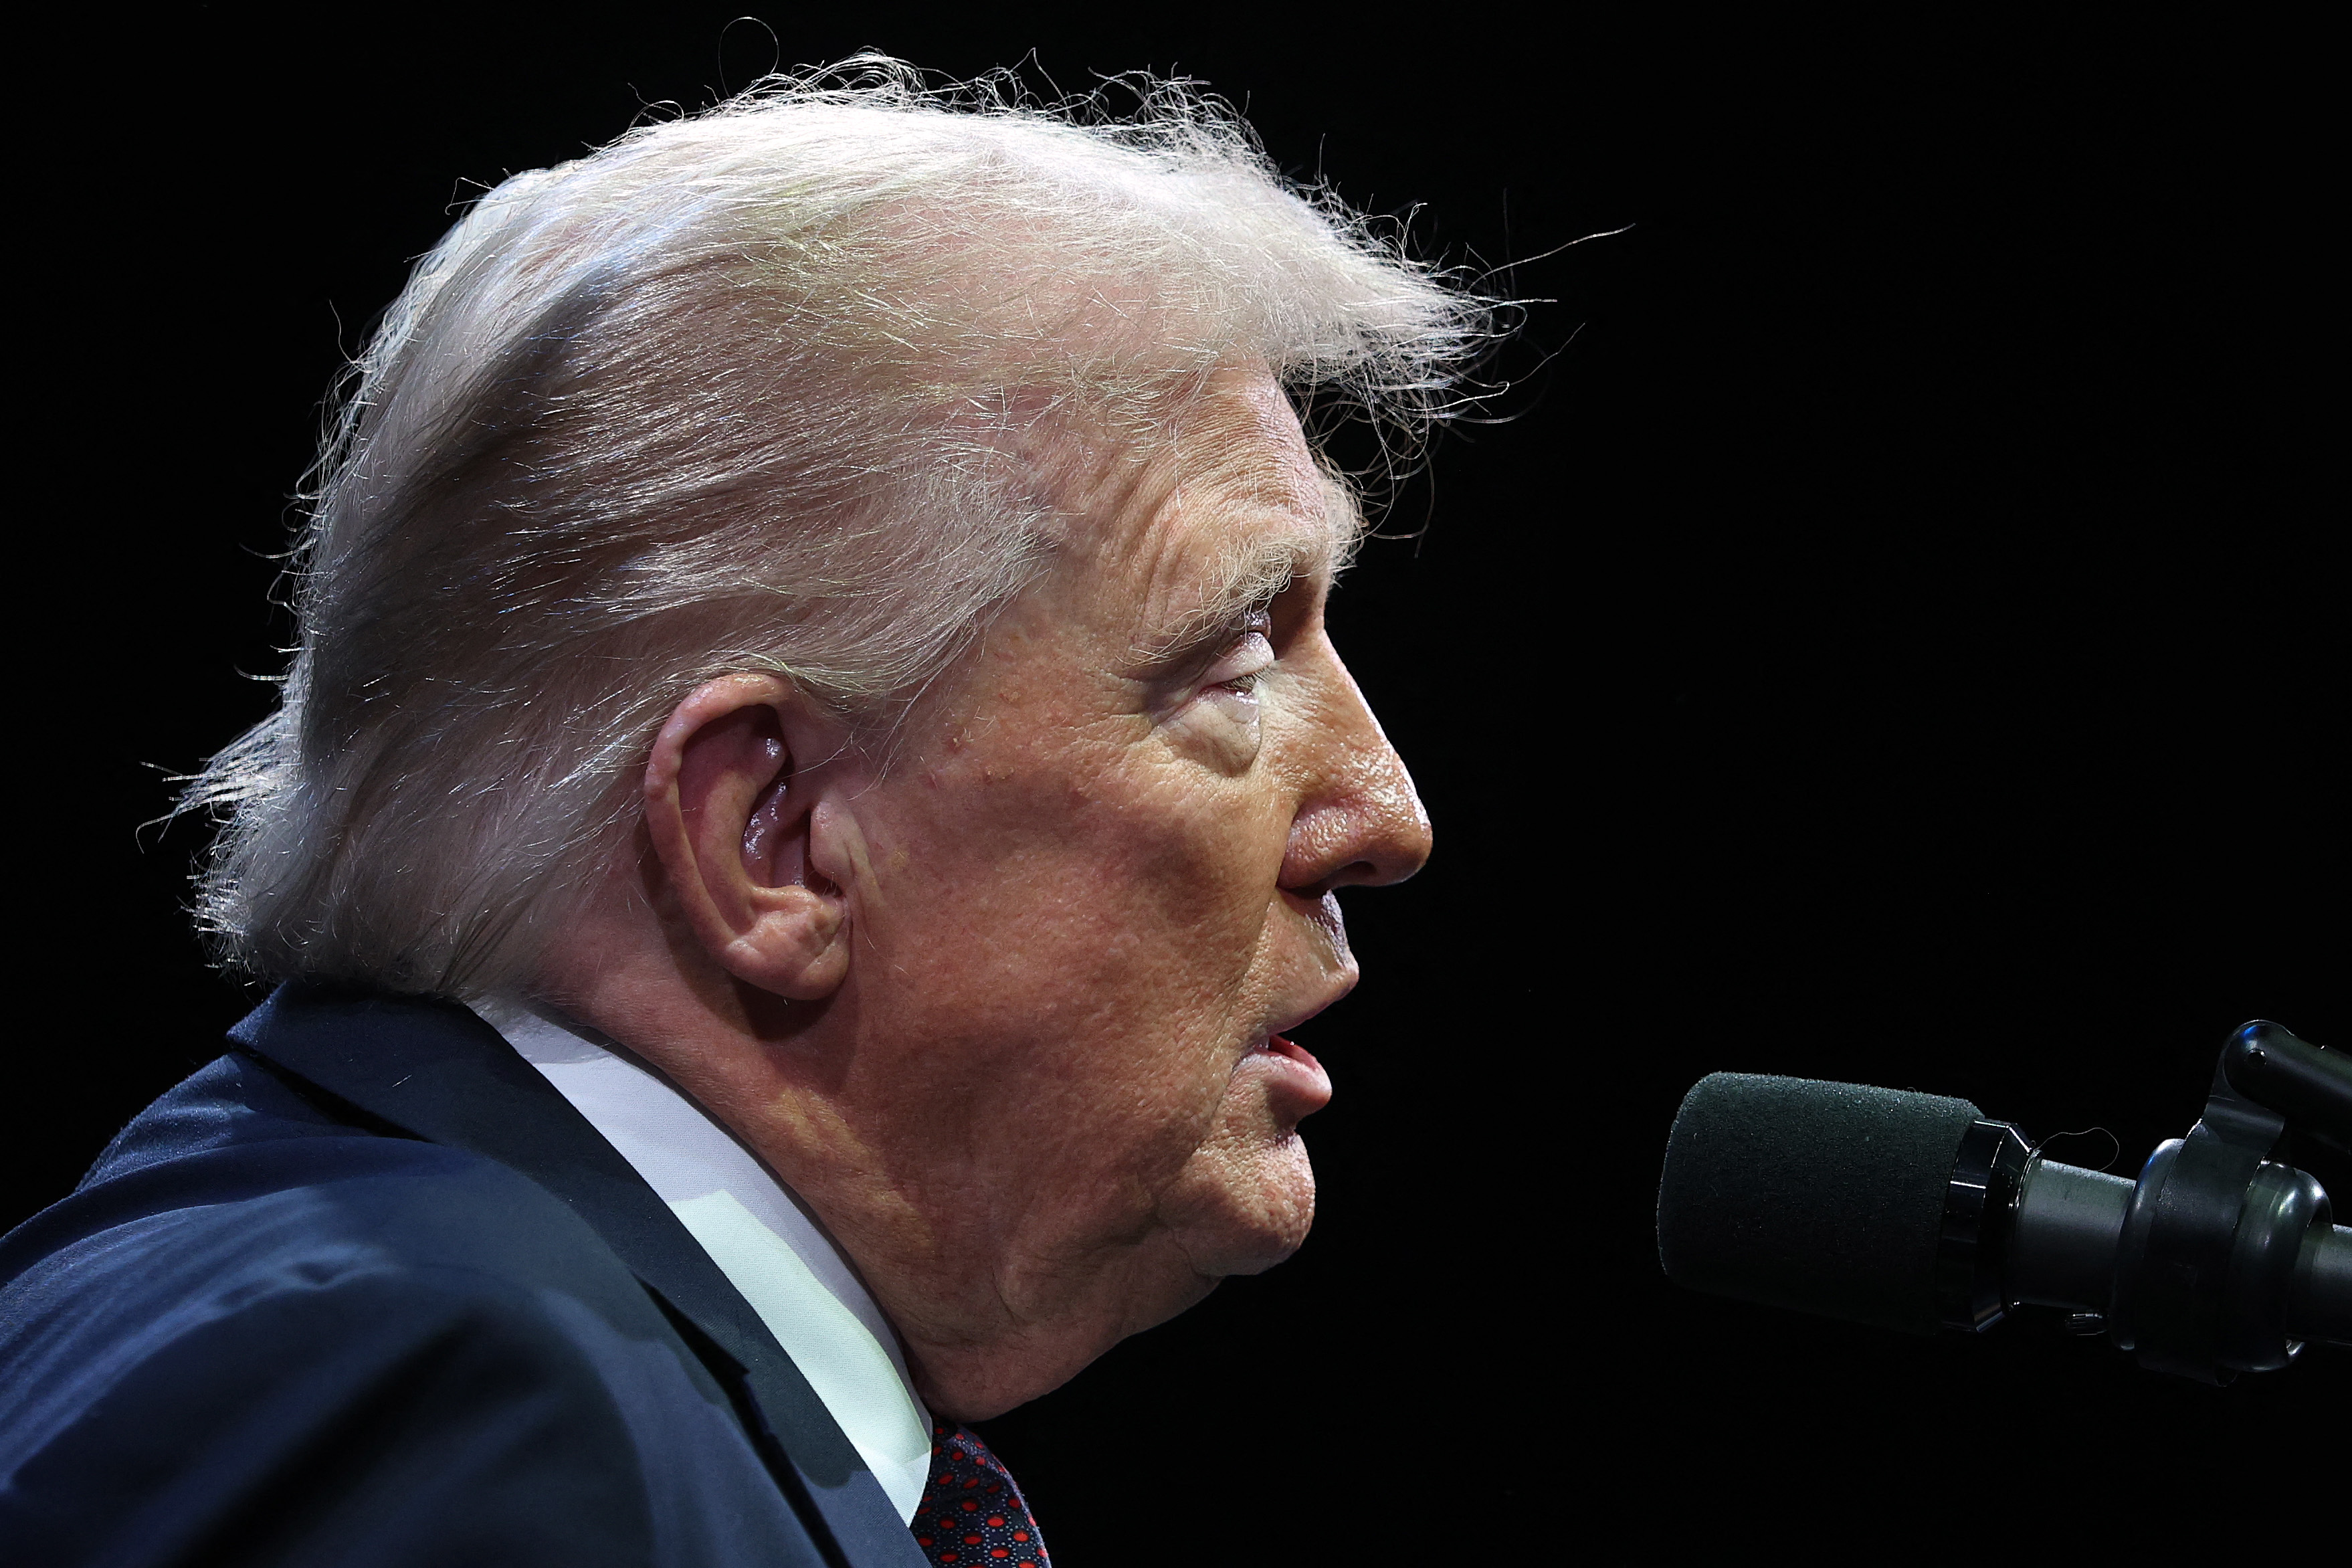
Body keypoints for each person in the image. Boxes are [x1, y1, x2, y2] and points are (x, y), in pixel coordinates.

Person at [0, 60, 1482, 1567]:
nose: (1385, 813)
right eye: (1234, 659)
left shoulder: (391, 1295)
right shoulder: (468, 1400)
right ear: (769, 833)